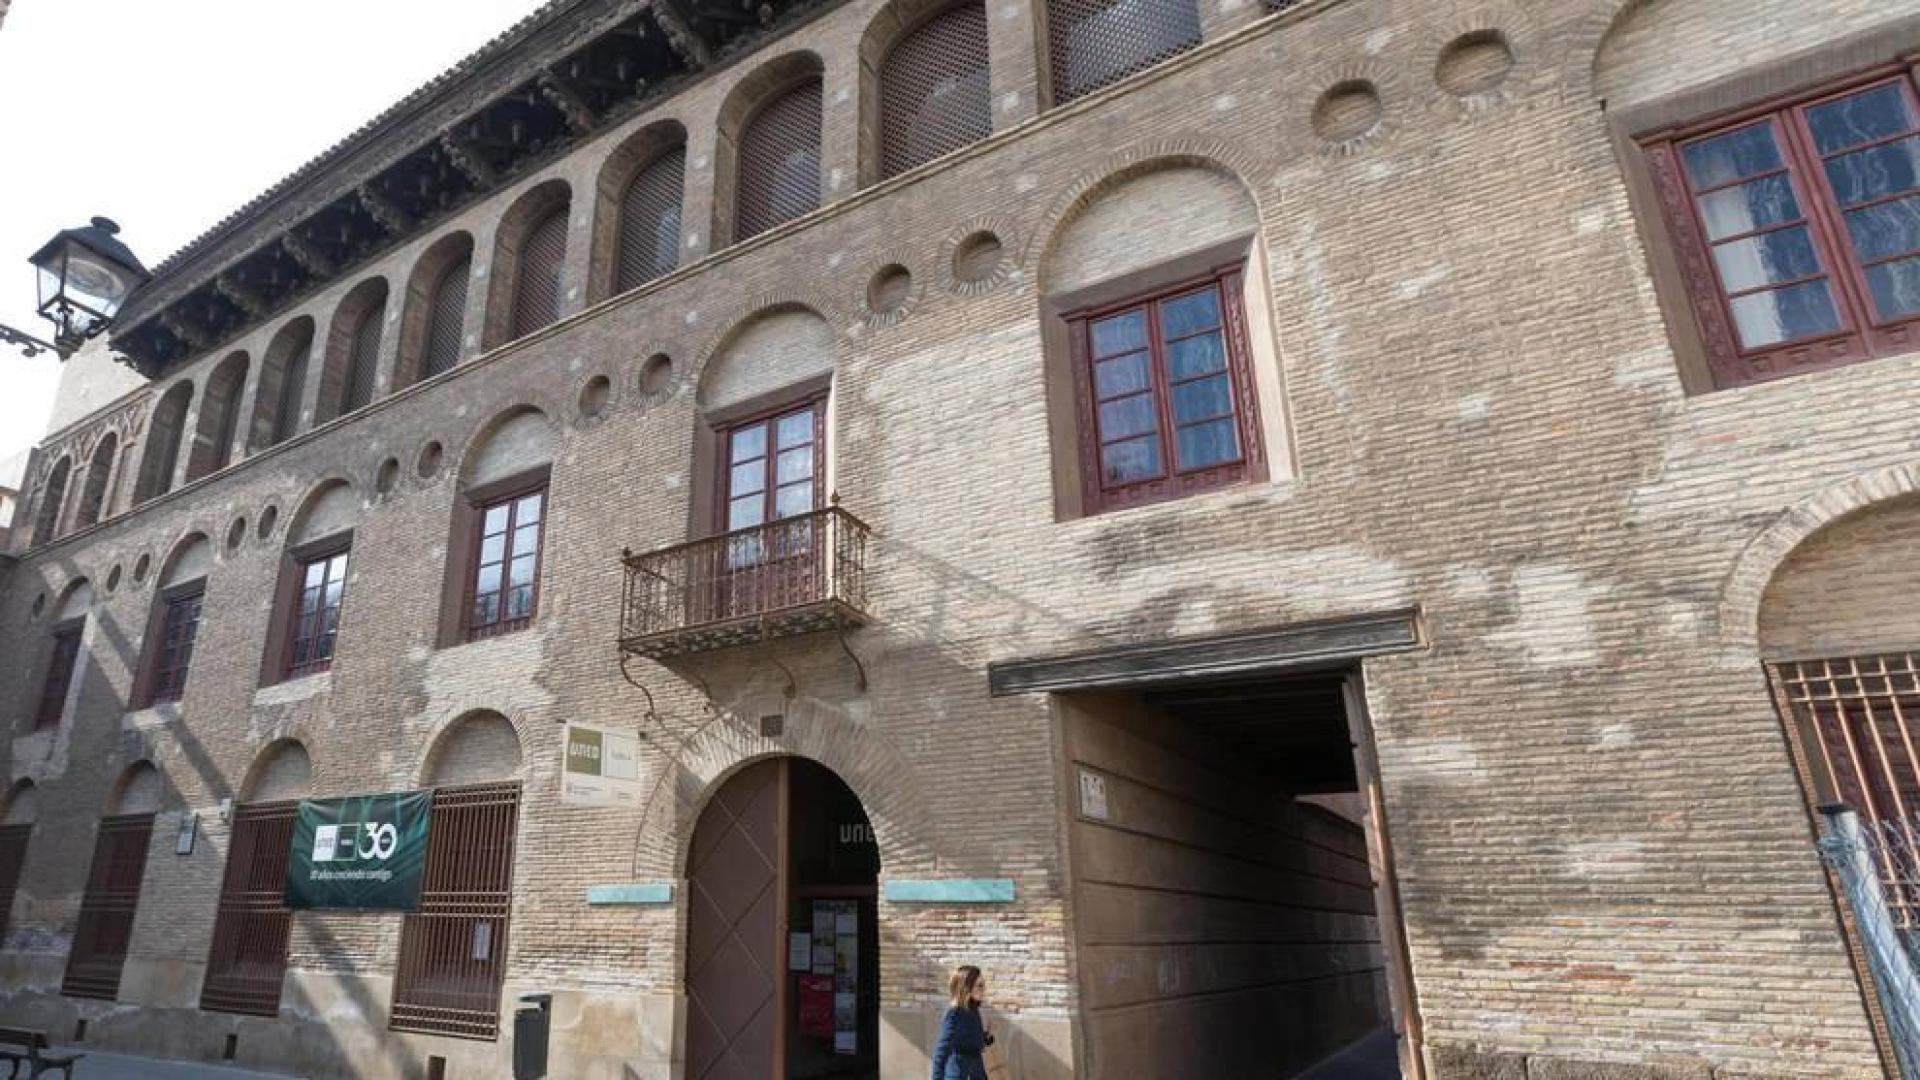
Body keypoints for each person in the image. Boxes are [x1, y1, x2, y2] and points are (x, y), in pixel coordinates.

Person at [930, 964, 995, 1080]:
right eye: (979, 985)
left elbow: (968, 1039)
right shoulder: (954, 1014)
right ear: (967, 987)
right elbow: (940, 1053)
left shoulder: (973, 1009)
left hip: (976, 1072)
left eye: (983, 985)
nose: (983, 989)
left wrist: (985, 1038)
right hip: (959, 1074)